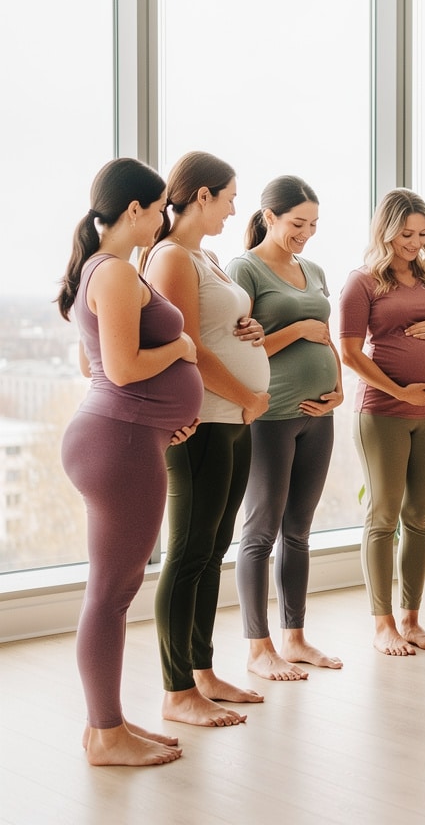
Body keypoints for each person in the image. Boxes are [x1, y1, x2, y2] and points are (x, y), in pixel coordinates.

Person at [56, 157, 202, 766]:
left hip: (127, 436)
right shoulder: (114, 272)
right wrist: (182, 347)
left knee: (112, 590)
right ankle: (106, 734)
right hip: (118, 442)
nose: (164, 220)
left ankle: (105, 728)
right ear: (135, 210)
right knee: (112, 594)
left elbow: (97, 366)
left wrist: (167, 413)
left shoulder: (106, 269)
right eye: (161, 209)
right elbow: (120, 370)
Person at [143, 152, 271, 726]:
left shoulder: (209, 257)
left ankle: (201, 671)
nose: (234, 208)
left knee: (213, 550)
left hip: (233, 418)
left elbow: (220, 327)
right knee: (190, 551)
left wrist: (252, 328)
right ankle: (176, 693)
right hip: (204, 419)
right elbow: (189, 347)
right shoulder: (170, 258)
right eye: (229, 198)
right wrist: (247, 396)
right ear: (201, 196)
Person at [227, 176, 344, 681]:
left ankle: (295, 638)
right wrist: (295, 330)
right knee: (260, 532)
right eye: (298, 223)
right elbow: (239, 349)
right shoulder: (243, 269)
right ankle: (259, 648)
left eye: (314, 225)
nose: (306, 234)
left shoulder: (313, 269)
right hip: (270, 417)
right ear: (269, 216)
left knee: (299, 531)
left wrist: (338, 384)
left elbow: (328, 335)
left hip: (319, 416)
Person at [340, 189, 425, 656]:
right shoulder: (363, 282)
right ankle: (383, 624)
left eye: (423, 233)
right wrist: (399, 391)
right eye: (406, 233)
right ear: (385, 231)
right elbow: (350, 351)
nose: (414, 242)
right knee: (384, 515)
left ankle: (412, 620)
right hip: (384, 413)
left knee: (418, 518)